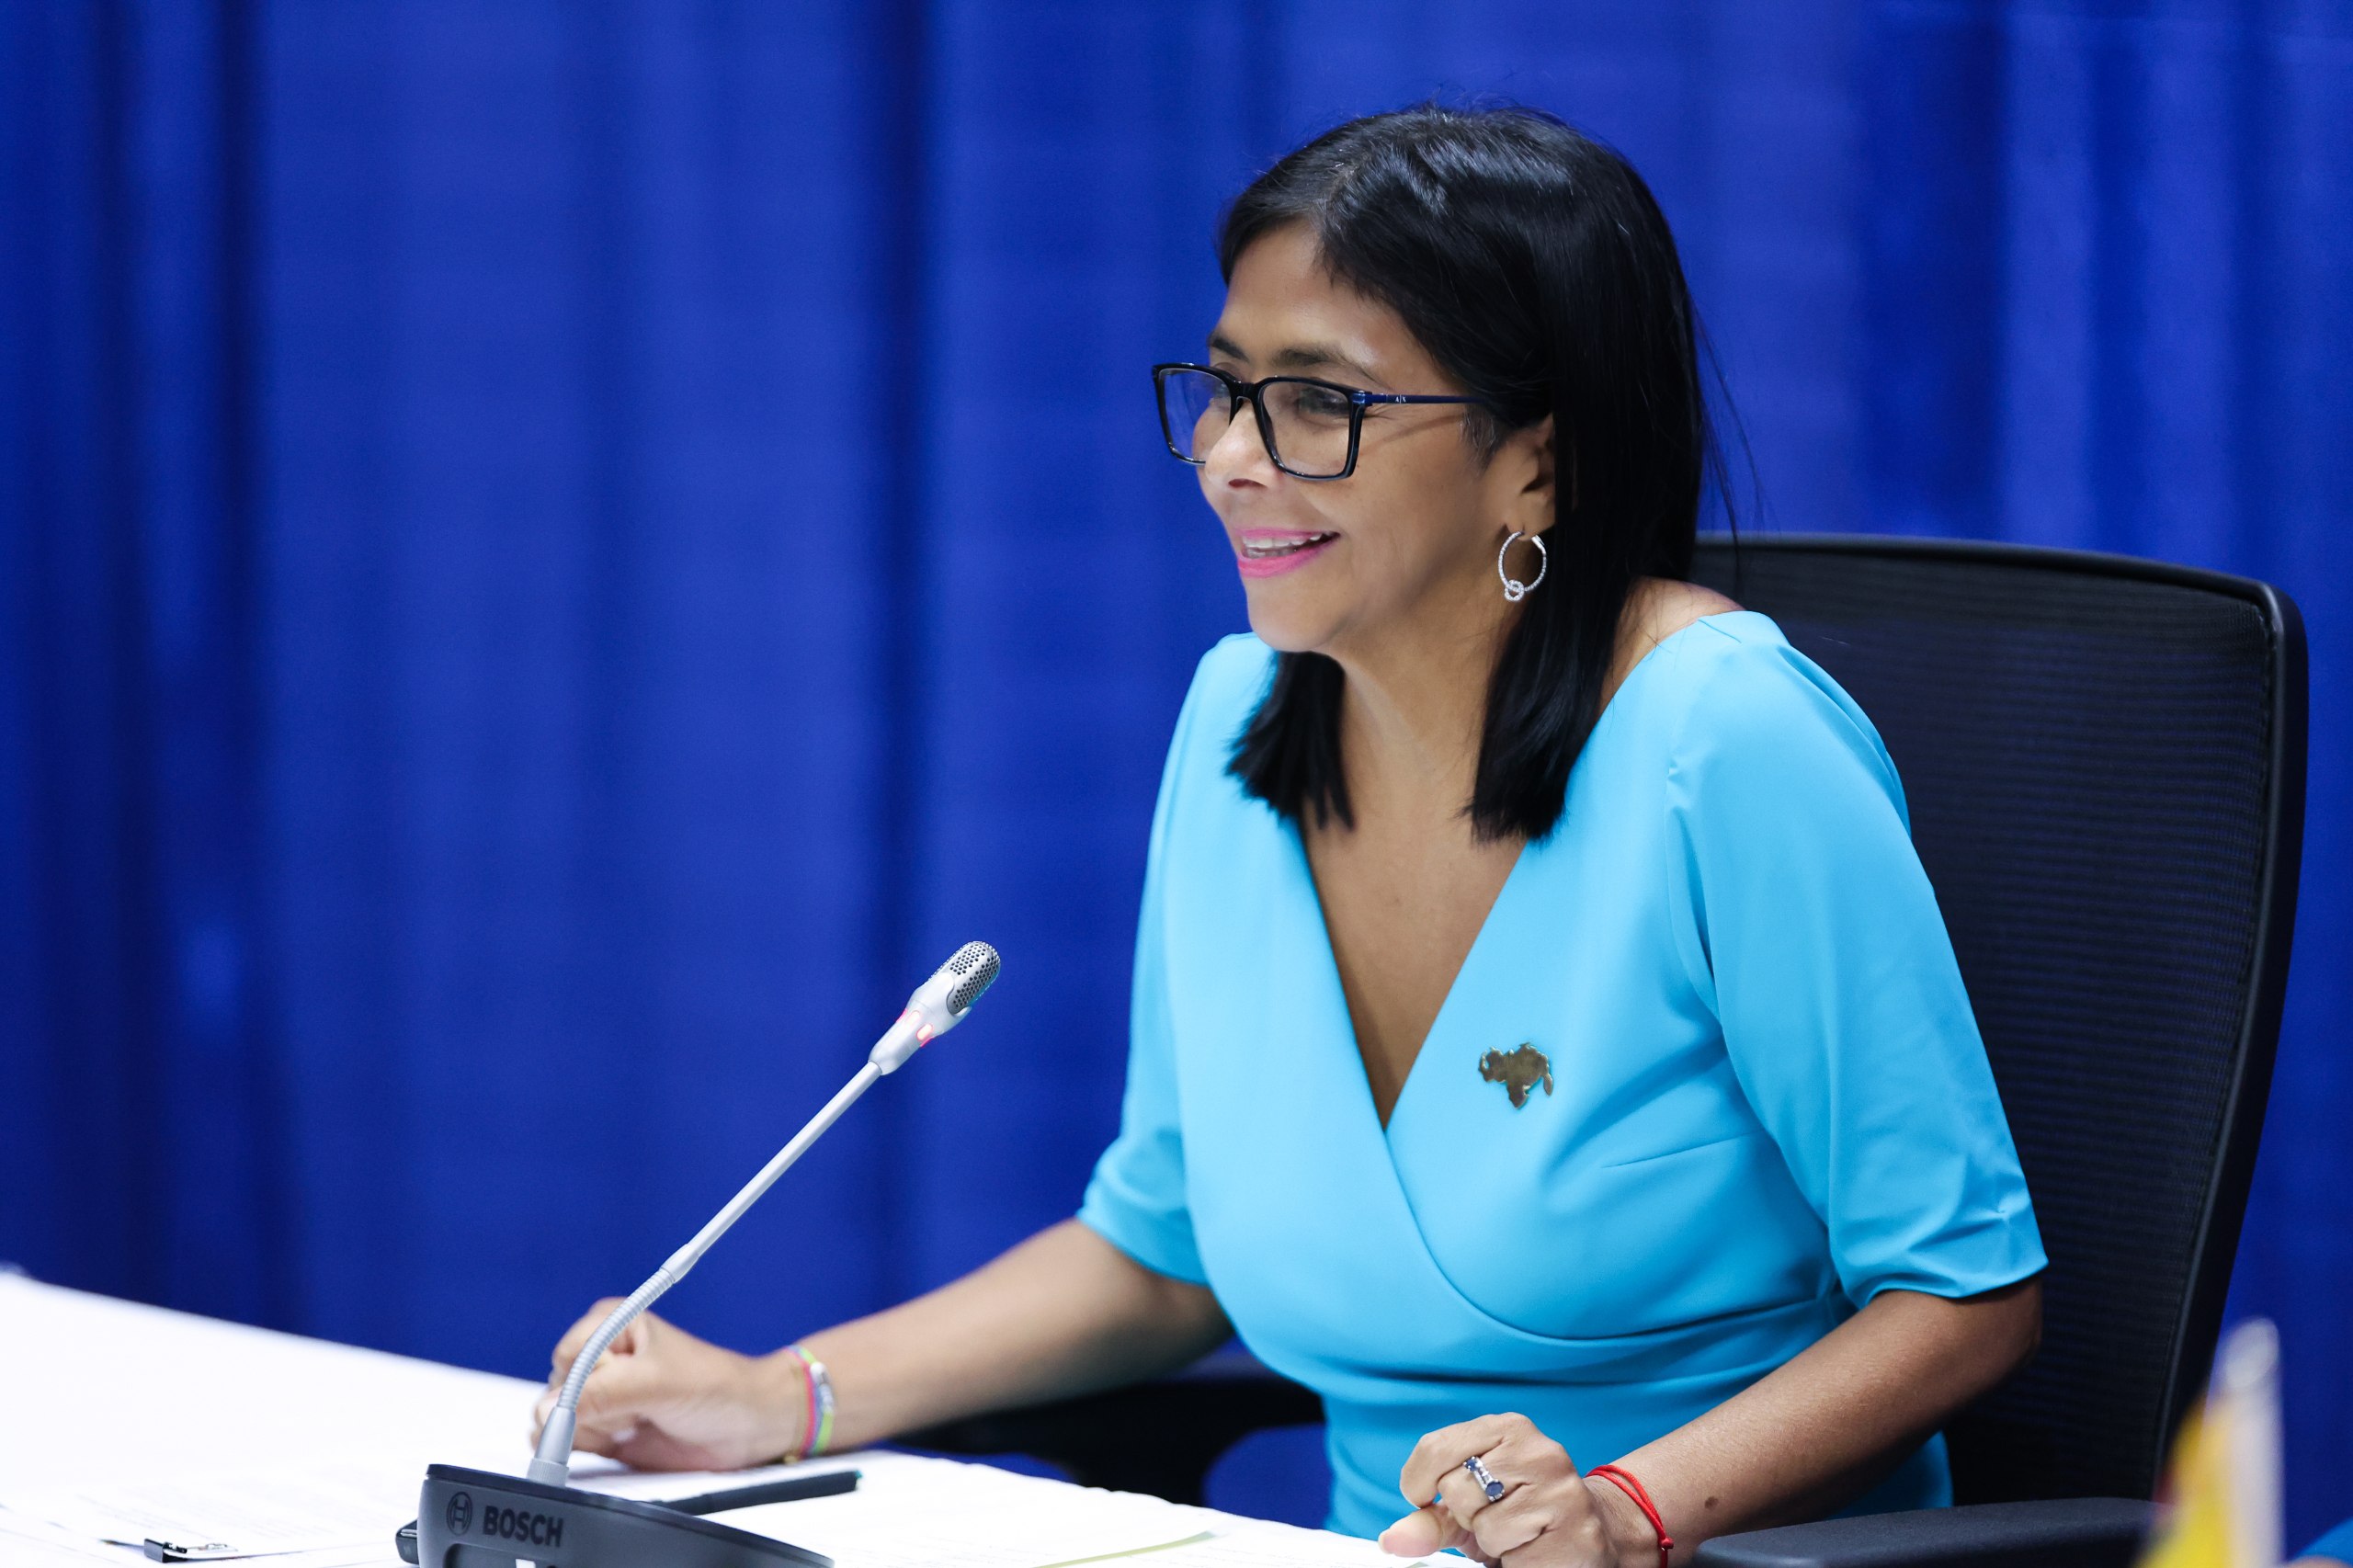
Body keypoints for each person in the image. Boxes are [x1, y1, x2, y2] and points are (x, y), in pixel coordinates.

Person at [537, 106, 2048, 1567]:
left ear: (1538, 459)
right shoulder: (1236, 718)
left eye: (1319, 403)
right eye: (1223, 389)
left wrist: (1627, 1513)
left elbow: (1963, 1296)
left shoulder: (1727, 741)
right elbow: (1160, 1250)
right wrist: (780, 1396)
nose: (1227, 457)